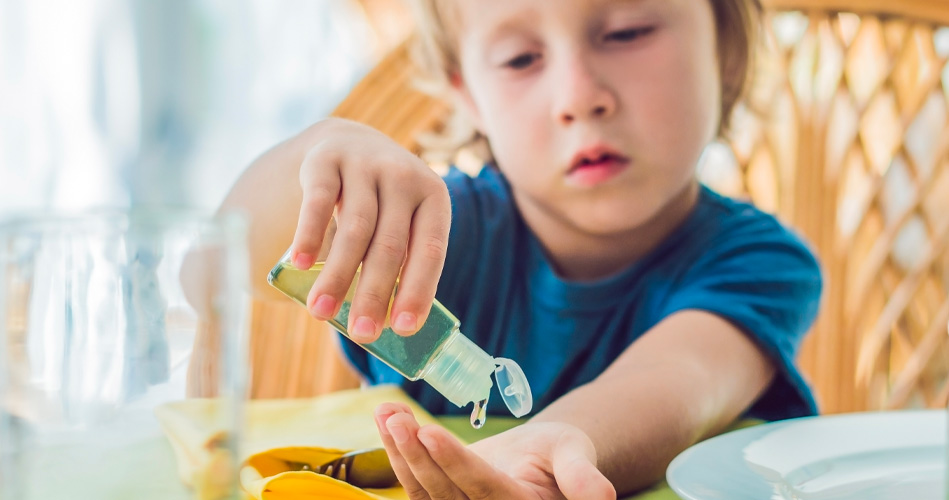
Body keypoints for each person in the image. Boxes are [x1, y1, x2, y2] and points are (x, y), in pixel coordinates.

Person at [218, 0, 822, 497]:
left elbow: (679, 379)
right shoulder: (430, 238)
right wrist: (318, 149)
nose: (578, 96)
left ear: (725, 48)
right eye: (520, 58)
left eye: (628, 31)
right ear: (468, 96)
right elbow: (213, 270)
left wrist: (557, 443)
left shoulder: (760, 262)